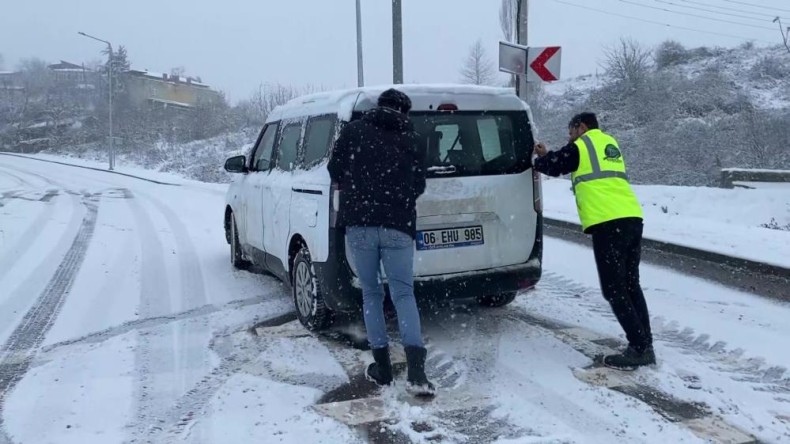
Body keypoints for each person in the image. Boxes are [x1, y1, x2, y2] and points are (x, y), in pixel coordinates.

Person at [328, 88, 436, 396]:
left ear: (379, 107)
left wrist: (360, 186)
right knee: (403, 293)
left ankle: (383, 368)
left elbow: (334, 169)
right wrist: (395, 197)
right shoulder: (414, 139)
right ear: (404, 111)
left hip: (359, 223)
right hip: (398, 225)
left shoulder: (354, 131)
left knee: (371, 293)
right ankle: (417, 373)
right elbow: (418, 185)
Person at [533, 112, 655, 370]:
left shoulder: (582, 144)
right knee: (631, 284)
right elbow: (571, 162)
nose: (570, 137)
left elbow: (554, 166)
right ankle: (646, 343)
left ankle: (639, 348)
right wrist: (550, 155)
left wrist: (539, 159)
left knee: (614, 289)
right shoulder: (609, 143)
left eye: (571, 131)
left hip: (608, 222)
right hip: (632, 218)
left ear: (582, 127)